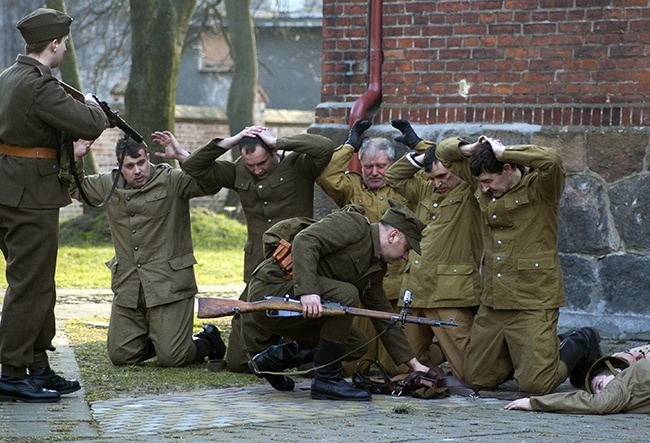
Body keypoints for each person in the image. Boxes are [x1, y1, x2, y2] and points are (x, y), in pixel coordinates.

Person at [0, 8, 109, 403]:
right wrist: (95, 105)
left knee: (37, 281)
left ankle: (37, 364)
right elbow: (91, 123)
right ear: (55, 44)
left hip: (11, 190)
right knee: (30, 286)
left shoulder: (8, 77)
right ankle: (12, 371)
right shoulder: (40, 85)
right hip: (31, 196)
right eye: (64, 43)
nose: (65, 48)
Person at [436, 135, 601, 394]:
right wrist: (472, 149)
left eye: (489, 181)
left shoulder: (541, 188)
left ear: (507, 169)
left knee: (537, 385)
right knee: (476, 377)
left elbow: (552, 160)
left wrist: (505, 151)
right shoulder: (483, 182)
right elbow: (444, 154)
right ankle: (530, 356)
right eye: (480, 183)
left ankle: (580, 340)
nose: (484, 189)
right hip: (493, 302)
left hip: (532, 300)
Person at [181, 126, 334, 372]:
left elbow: (325, 147)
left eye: (262, 163)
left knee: (302, 329)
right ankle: (247, 349)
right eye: (251, 165)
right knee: (238, 362)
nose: (257, 170)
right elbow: (192, 166)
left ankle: (293, 353)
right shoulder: (238, 170)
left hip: (299, 264)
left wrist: (279, 140)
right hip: (259, 269)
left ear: (273, 152)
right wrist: (229, 142)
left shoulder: (299, 166)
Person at [67, 133, 226, 368]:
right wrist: (76, 158)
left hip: (168, 284)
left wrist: (183, 156)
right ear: (119, 167)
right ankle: (161, 338)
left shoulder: (171, 179)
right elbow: (75, 187)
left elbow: (210, 183)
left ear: (148, 157)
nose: (137, 170)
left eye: (141, 162)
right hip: (130, 284)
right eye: (129, 166)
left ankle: (207, 340)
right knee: (121, 356)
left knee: (173, 358)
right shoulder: (108, 185)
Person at [247, 200, 431, 401]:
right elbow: (305, 240)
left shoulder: (375, 267)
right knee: (346, 293)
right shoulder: (353, 224)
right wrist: (308, 291)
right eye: (406, 248)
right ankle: (326, 380)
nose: (405, 257)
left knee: (357, 344)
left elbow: (382, 315)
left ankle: (273, 361)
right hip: (270, 292)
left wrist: (412, 363)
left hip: (298, 306)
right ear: (393, 235)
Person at [384, 120, 482, 381]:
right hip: (415, 289)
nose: (437, 183)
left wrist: (445, 149)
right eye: (432, 177)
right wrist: (419, 156)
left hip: (449, 291)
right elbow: (393, 176)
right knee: (406, 369)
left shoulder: (472, 188)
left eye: (442, 176)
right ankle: (437, 356)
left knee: (471, 373)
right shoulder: (426, 189)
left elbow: (451, 152)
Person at [316, 119, 411, 376]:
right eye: (368, 166)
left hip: (399, 281)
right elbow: (327, 176)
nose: (374, 172)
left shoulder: (405, 188)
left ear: (392, 164)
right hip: (363, 282)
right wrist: (350, 145)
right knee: (357, 359)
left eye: (381, 166)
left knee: (396, 361)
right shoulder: (351, 188)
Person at [504, 353, 650, 414]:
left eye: (599, 385)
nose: (599, 393)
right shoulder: (632, 394)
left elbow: (599, 403)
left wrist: (534, 403)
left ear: (616, 370)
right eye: (596, 392)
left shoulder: (626, 379)